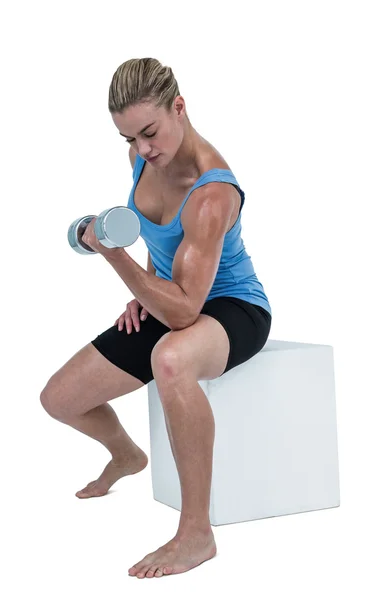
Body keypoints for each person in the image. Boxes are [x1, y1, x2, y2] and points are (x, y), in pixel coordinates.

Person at [40, 57, 272, 578]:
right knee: (58, 399)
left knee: (170, 358)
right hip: (174, 296)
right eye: (129, 138)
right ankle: (126, 456)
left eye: (149, 132)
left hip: (233, 307)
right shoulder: (142, 158)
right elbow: (161, 242)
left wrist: (114, 257)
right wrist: (145, 288)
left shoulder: (212, 195)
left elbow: (189, 309)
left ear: (180, 107)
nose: (143, 150)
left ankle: (196, 535)